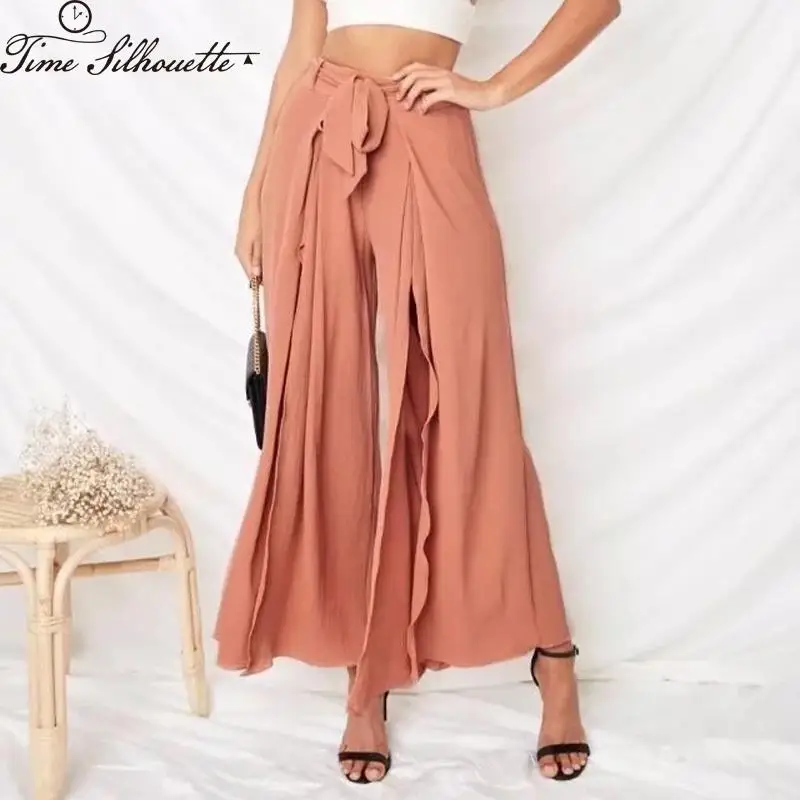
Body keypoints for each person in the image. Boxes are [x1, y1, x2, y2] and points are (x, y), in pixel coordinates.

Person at [216, 0, 621, 785]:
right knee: (330, 407)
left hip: (428, 129)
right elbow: (303, 44)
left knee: (475, 400)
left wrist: (493, 88)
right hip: (317, 137)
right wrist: (255, 192)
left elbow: (596, 4)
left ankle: (553, 653)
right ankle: (364, 680)